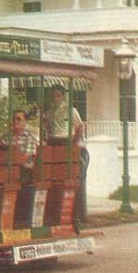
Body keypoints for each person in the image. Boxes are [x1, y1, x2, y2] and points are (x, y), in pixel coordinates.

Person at [44, 84, 88, 223]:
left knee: (73, 178)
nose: (55, 98)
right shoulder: (49, 112)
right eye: (53, 95)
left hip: (68, 144)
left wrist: (73, 144)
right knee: (55, 179)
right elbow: (48, 129)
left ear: (63, 96)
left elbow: (80, 127)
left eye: (58, 95)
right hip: (54, 144)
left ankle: (78, 214)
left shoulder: (71, 110)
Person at [8, 109, 39, 184]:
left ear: (25, 122)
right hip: (7, 171)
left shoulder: (29, 139)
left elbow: (24, 159)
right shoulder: (7, 138)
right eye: (13, 119)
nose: (15, 121)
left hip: (24, 173)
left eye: (18, 119)